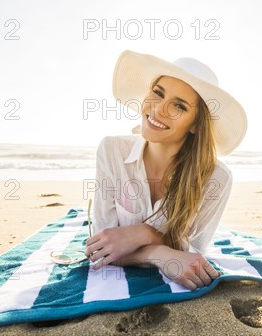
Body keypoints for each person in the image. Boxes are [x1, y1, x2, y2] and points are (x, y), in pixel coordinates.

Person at [84, 50, 247, 290]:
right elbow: (101, 247)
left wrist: (142, 235)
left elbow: (192, 254)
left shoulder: (217, 178)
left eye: (179, 106)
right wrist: (158, 252)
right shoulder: (112, 150)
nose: (159, 110)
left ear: (194, 124)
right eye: (157, 93)